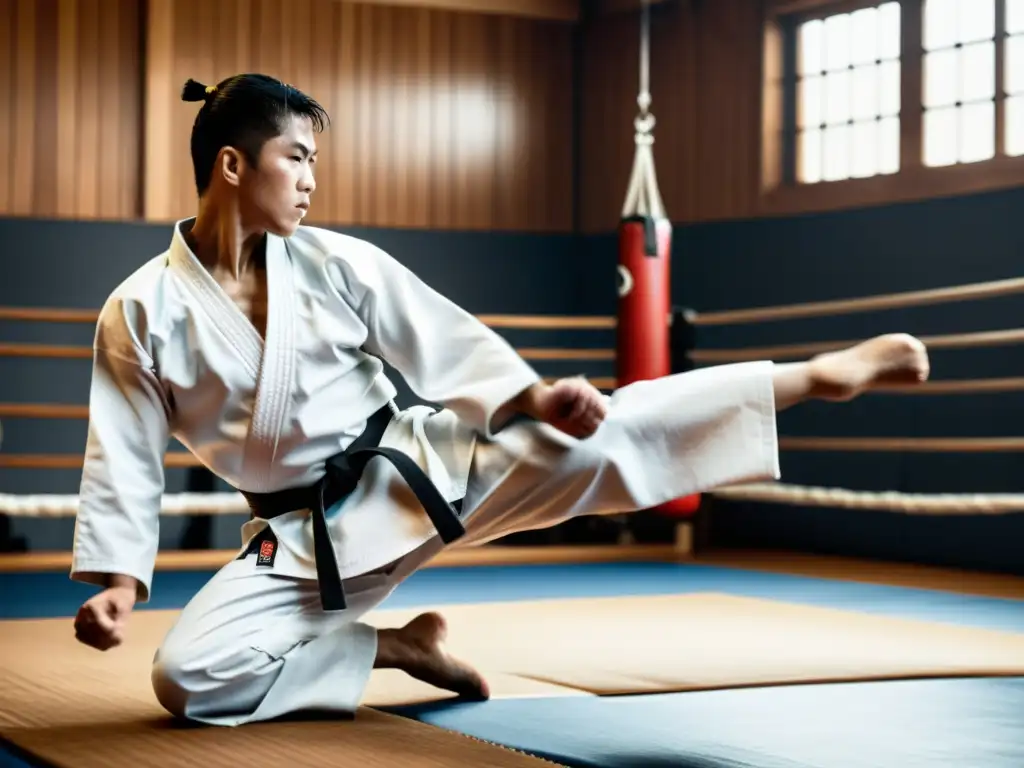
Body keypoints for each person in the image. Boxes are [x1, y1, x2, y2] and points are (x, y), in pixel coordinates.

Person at [70, 74, 930, 726]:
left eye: (313, 164)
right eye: (296, 158)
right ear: (232, 164)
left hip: (421, 473)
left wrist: (532, 397)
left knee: (610, 437)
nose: (309, 182)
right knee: (187, 677)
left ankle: (815, 376)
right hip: (299, 541)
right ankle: (404, 648)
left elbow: (438, 339)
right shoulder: (141, 310)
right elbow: (124, 447)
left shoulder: (333, 262)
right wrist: (117, 579)